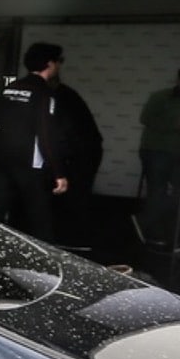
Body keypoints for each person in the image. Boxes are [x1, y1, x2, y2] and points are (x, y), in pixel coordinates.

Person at [0, 43, 67, 241]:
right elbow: (46, 134)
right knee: (39, 216)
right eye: (60, 61)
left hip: (3, 159)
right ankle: (45, 261)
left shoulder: (11, 88)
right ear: (50, 63)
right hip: (30, 164)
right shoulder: (44, 93)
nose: (59, 66)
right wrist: (58, 172)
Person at [45, 48, 103, 251]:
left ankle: (73, 239)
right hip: (83, 150)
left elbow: (64, 134)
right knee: (74, 194)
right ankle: (74, 237)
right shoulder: (66, 94)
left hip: (81, 153)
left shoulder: (61, 98)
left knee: (73, 195)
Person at [138, 62, 180, 246]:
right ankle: (152, 232)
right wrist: (173, 124)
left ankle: (173, 231)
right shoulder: (162, 97)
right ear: (178, 80)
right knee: (157, 191)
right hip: (158, 151)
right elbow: (145, 119)